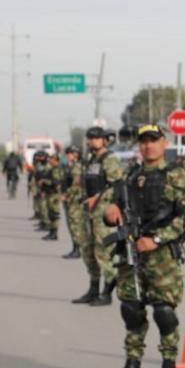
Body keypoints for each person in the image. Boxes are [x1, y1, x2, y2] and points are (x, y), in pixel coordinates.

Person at [102, 124, 185, 368]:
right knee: (131, 309)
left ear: (164, 143)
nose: (147, 146)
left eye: (153, 140)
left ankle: (169, 367)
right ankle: (133, 366)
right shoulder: (130, 176)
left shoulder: (176, 176)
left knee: (164, 312)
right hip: (131, 252)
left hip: (162, 256)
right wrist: (110, 212)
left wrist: (156, 239)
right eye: (143, 141)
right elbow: (114, 207)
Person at [74, 127, 124, 305]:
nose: (92, 141)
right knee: (88, 250)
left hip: (102, 211)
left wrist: (97, 198)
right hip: (88, 211)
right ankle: (93, 289)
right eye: (90, 138)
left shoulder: (109, 159)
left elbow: (117, 184)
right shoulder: (90, 160)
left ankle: (107, 292)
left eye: (96, 138)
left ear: (104, 140)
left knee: (103, 252)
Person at [61, 146, 85, 259]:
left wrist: (66, 194)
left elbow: (76, 185)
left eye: (69, 153)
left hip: (74, 200)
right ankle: (75, 248)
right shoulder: (71, 166)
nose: (67, 156)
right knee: (72, 225)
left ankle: (77, 249)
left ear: (75, 154)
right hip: (70, 199)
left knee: (75, 225)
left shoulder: (77, 167)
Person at [37, 151, 63, 241]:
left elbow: (56, 182)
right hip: (49, 193)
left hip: (54, 194)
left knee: (54, 214)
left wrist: (44, 181)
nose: (49, 160)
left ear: (56, 160)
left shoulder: (57, 169)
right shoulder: (52, 169)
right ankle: (52, 232)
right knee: (50, 214)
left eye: (51, 159)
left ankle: (54, 233)